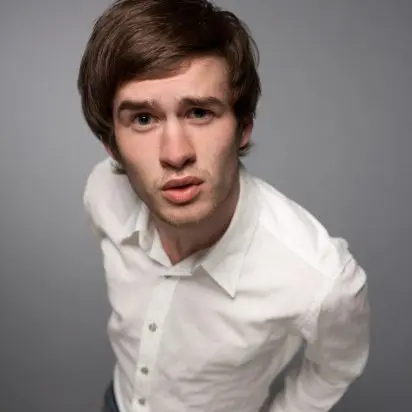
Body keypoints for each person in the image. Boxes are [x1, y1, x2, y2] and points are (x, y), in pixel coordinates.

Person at [77, 1, 370, 411]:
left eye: (199, 112)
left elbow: (335, 369)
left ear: (242, 128)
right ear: (112, 146)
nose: (175, 154)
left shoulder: (320, 280)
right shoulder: (103, 193)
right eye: (143, 119)